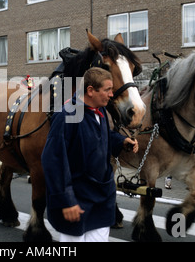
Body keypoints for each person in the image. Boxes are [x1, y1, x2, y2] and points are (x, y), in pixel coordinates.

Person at [41, 67, 138, 242]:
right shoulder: (67, 115)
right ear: (90, 90)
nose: (111, 94)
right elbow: (53, 160)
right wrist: (66, 200)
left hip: (101, 197)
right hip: (77, 200)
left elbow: (102, 136)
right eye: (107, 90)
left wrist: (121, 141)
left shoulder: (101, 111)